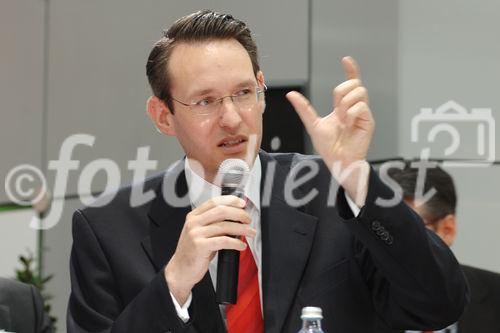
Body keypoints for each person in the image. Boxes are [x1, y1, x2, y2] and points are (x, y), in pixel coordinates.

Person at [67, 10, 468, 333]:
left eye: (243, 93)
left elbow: (438, 304)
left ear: (261, 90)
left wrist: (357, 178)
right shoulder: (107, 229)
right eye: (205, 101)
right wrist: (174, 284)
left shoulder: (330, 191)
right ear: (164, 116)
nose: (231, 118)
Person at [388, 161, 500, 333]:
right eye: (381, 233)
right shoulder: (352, 303)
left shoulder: (495, 297)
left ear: (447, 230)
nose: (389, 248)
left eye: (406, 233)